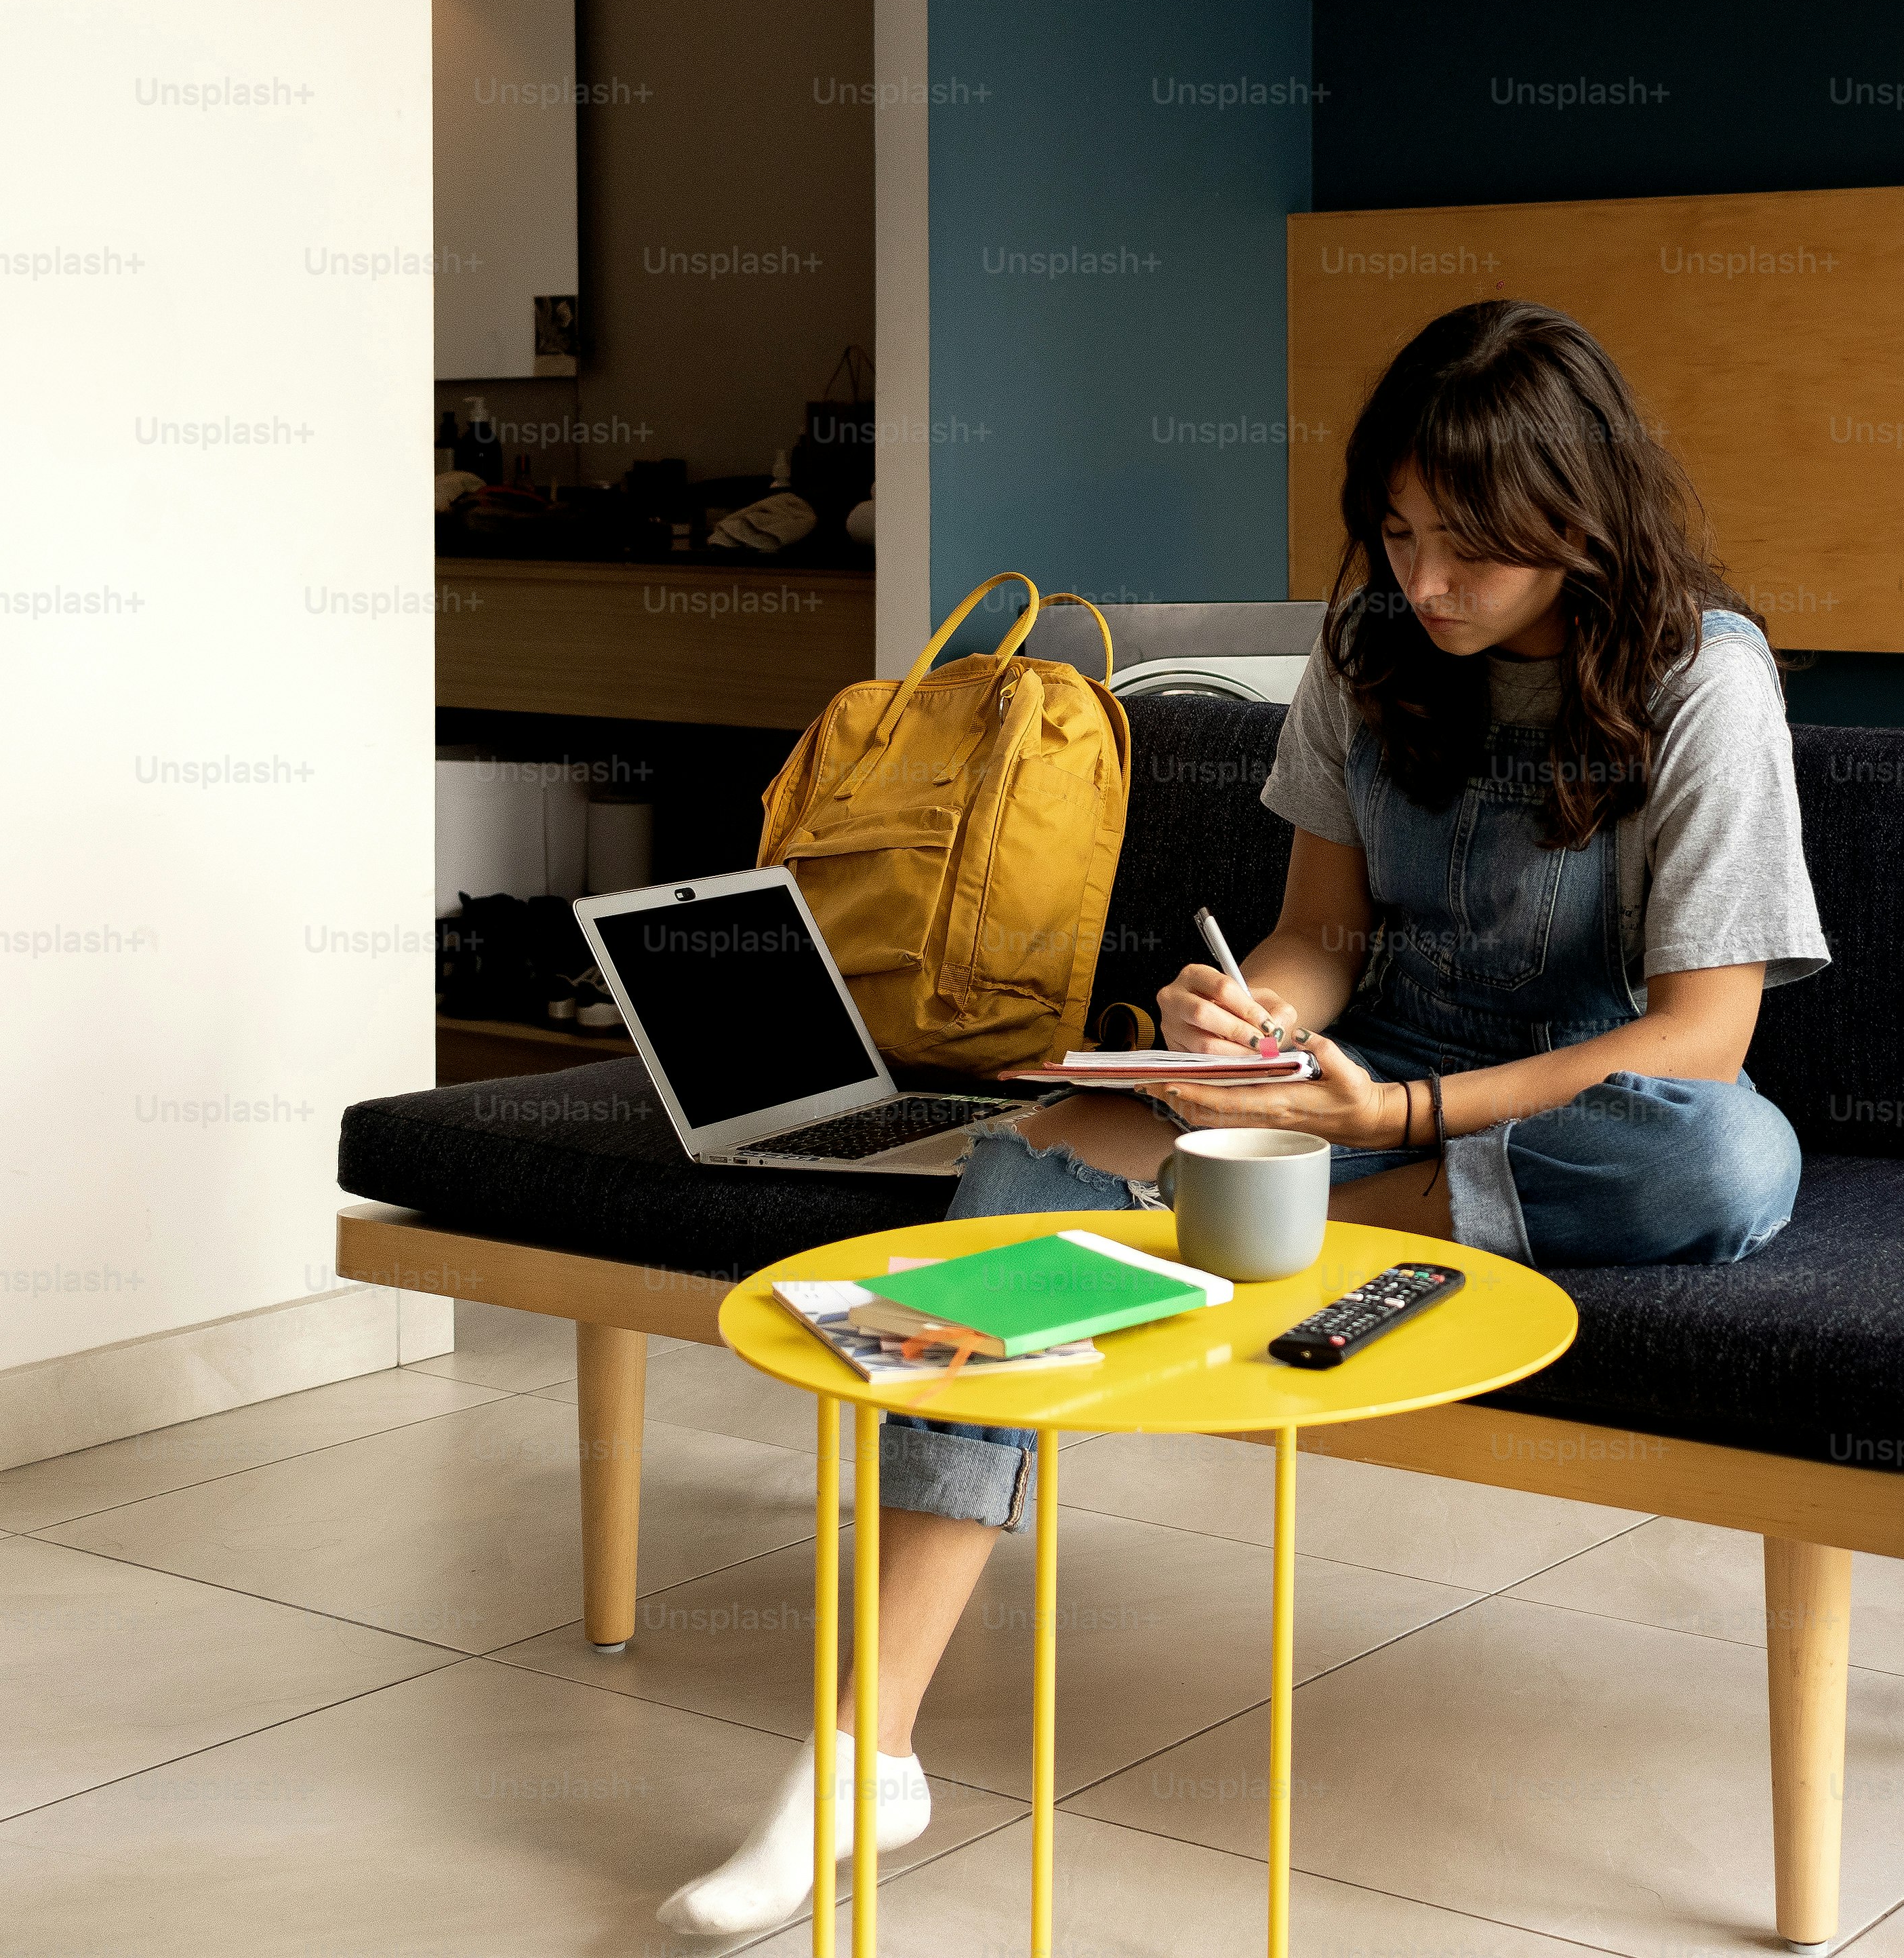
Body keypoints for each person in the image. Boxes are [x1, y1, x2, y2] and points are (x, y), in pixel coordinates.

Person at [657, 298, 1829, 1936]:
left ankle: (1255, 1228)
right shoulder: (1369, 662)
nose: (1425, 583)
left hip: (1583, 1094)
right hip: (1360, 1086)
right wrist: (1253, 1014)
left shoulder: (1702, 679)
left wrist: (1393, 1108)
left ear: (1580, 513)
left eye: (1471, 548)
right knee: (1026, 1162)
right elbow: (1320, 939)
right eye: (1401, 535)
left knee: (1720, 1158)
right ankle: (871, 1744)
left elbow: (1702, 1037)